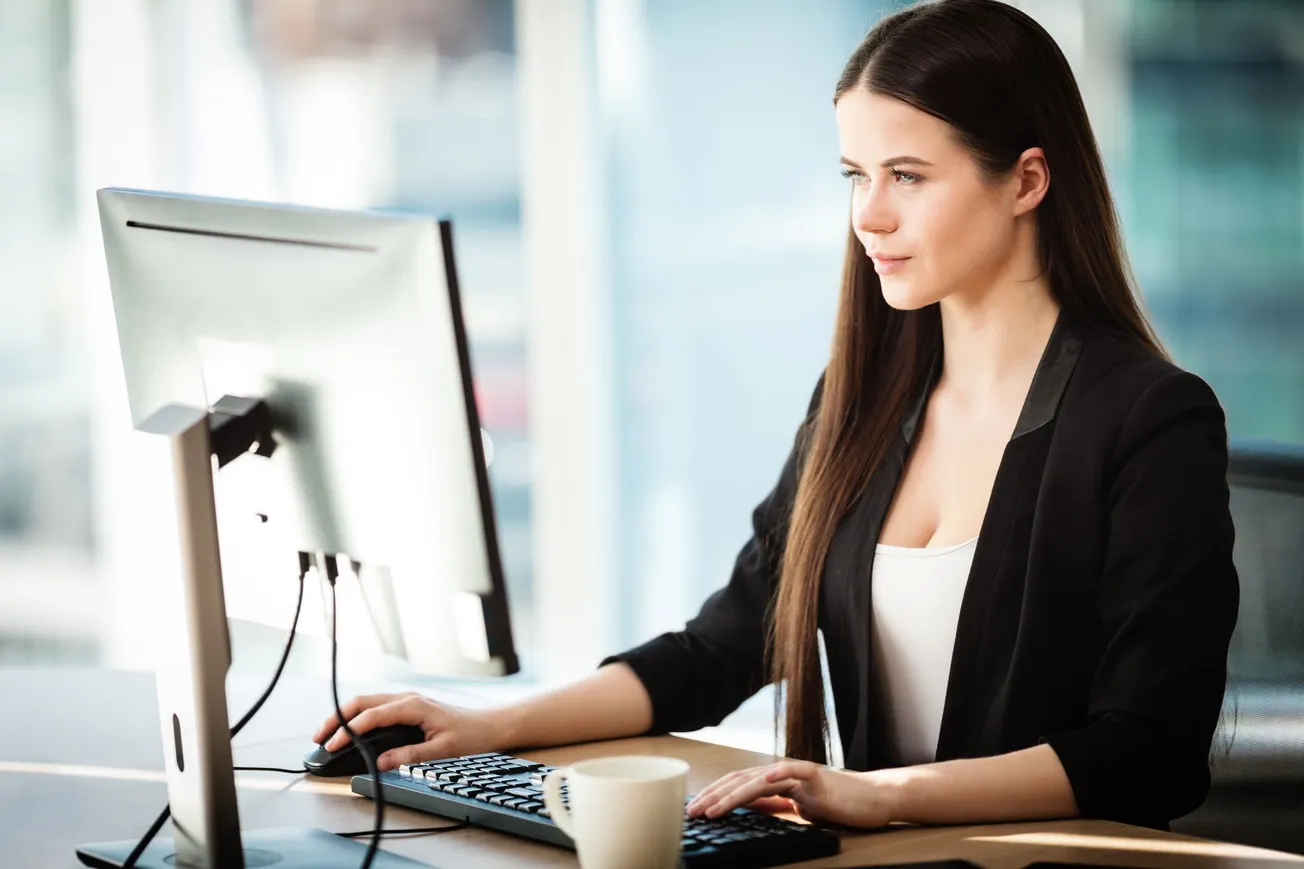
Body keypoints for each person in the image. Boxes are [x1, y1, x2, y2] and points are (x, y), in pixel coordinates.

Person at [313, 0, 1238, 832]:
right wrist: (487, 726)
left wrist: (883, 795)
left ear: (1028, 181)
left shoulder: (1149, 419)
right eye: (856, 174)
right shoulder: (864, 399)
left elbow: (1149, 749)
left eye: (908, 176)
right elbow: (724, 644)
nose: (869, 215)